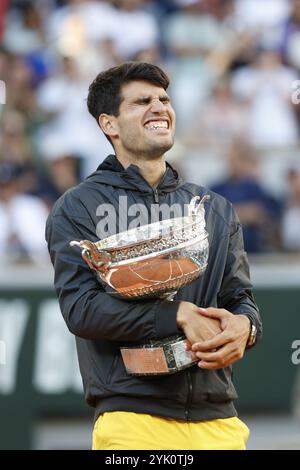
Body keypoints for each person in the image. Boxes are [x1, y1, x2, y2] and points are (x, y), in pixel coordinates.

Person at [45, 62, 262, 450]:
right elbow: (82, 309)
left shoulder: (214, 207)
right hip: (133, 420)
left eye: (164, 99)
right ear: (108, 124)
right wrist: (174, 314)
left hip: (221, 420)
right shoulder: (78, 207)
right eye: (142, 101)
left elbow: (240, 299)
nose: (159, 107)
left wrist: (246, 328)